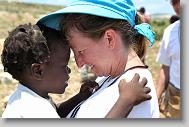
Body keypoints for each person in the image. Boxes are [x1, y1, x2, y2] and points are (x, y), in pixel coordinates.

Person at [37, 0, 159, 118]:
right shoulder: (110, 76)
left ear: (109, 39)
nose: (79, 64)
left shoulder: (136, 91)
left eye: (81, 51)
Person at [1, 23, 151, 118]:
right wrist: (126, 100)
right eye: (64, 66)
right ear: (38, 71)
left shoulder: (29, 98)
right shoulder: (33, 110)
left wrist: (78, 98)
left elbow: (55, 112)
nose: (70, 71)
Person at [156, 0, 180, 118]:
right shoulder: (170, 31)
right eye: (175, 1)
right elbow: (165, 67)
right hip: (176, 97)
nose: (180, 5)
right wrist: (156, 99)